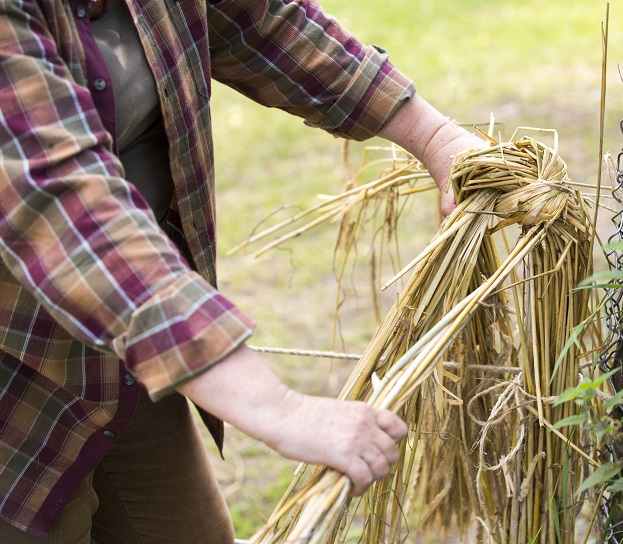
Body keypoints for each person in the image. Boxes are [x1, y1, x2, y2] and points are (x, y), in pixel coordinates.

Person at [0, 0, 482, 541]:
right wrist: (278, 408)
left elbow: (263, 22)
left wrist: (441, 141)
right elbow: (69, 209)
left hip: (128, 347)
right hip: (15, 371)